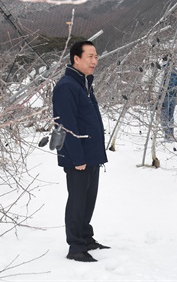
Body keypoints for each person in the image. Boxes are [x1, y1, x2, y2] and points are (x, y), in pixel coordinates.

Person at [52, 40, 110, 263]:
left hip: (91, 154)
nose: (95, 61)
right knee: (77, 201)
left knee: (88, 199)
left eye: (96, 56)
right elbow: (66, 124)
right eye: (90, 56)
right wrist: (77, 158)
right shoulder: (67, 86)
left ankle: (85, 238)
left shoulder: (84, 83)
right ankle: (75, 246)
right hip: (79, 157)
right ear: (76, 59)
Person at [158, 55, 177, 140]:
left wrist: (159, 97)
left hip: (165, 96)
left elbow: (161, 85)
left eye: (162, 61)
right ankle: (171, 134)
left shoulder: (165, 71)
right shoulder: (175, 71)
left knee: (164, 115)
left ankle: (167, 135)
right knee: (170, 115)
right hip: (173, 96)